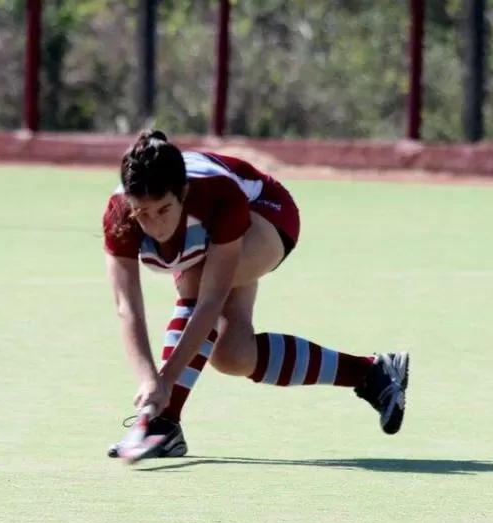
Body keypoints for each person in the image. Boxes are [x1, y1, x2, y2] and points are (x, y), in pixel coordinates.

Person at [102, 130, 410, 460]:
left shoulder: (217, 196)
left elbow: (210, 300)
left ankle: (164, 422)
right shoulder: (120, 216)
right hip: (211, 238)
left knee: (196, 280)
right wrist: (148, 378)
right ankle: (371, 373)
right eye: (142, 214)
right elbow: (127, 307)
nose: (154, 225)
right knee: (233, 354)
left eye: (163, 210)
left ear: (183, 193)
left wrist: (166, 380)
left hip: (266, 211)